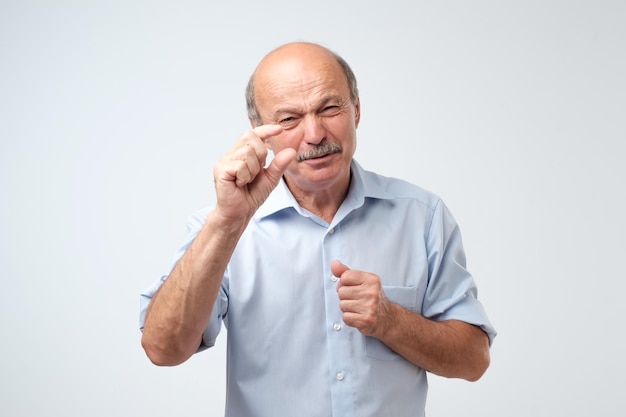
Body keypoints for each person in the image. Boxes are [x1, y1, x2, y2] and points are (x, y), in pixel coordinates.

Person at [139, 41, 496, 417]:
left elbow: (474, 360)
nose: (314, 134)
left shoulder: (422, 215)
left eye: (329, 108)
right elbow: (163, 349)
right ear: (260, 131)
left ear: (356, 109)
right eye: (289, 119)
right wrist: (226, 224)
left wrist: (393, 322)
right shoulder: (221, 228)